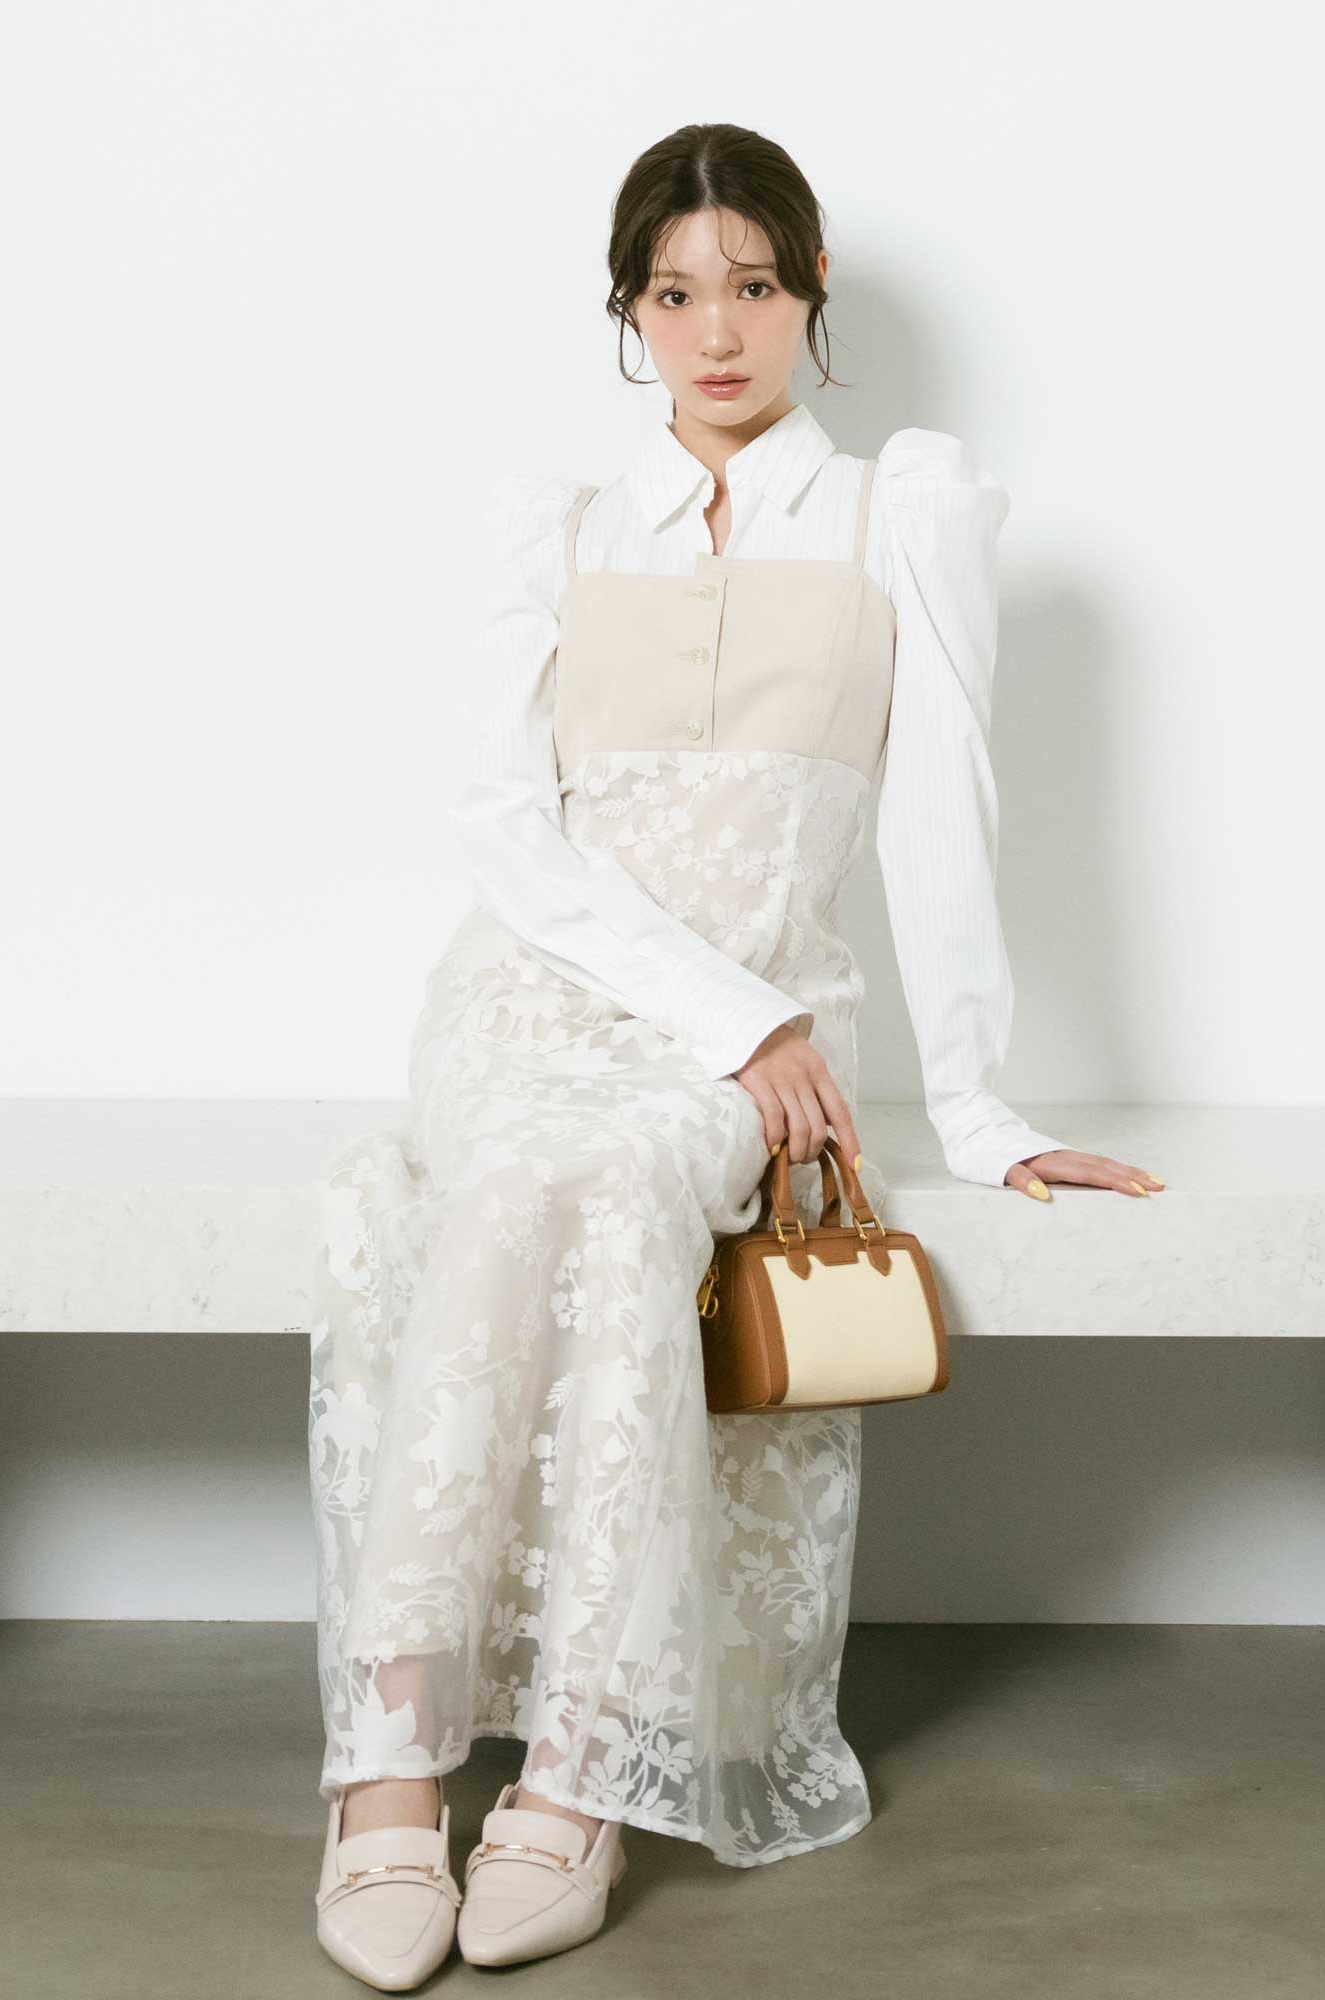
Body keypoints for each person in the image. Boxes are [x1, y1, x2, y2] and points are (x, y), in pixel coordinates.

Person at [307, 120, 1164, 1991]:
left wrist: (981, 1109)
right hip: (540, 998)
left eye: (755, 287)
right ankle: (388, 1765)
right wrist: (730, 1017)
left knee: (624, 1185)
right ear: (628, 311)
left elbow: (943, 818)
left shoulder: (897, 511)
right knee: (512, 1171)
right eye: (676, 293)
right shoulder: (557, 525)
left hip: (763, 1026)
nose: (718, 332)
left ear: (811, 287)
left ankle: (579, 1772)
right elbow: (502, 827)